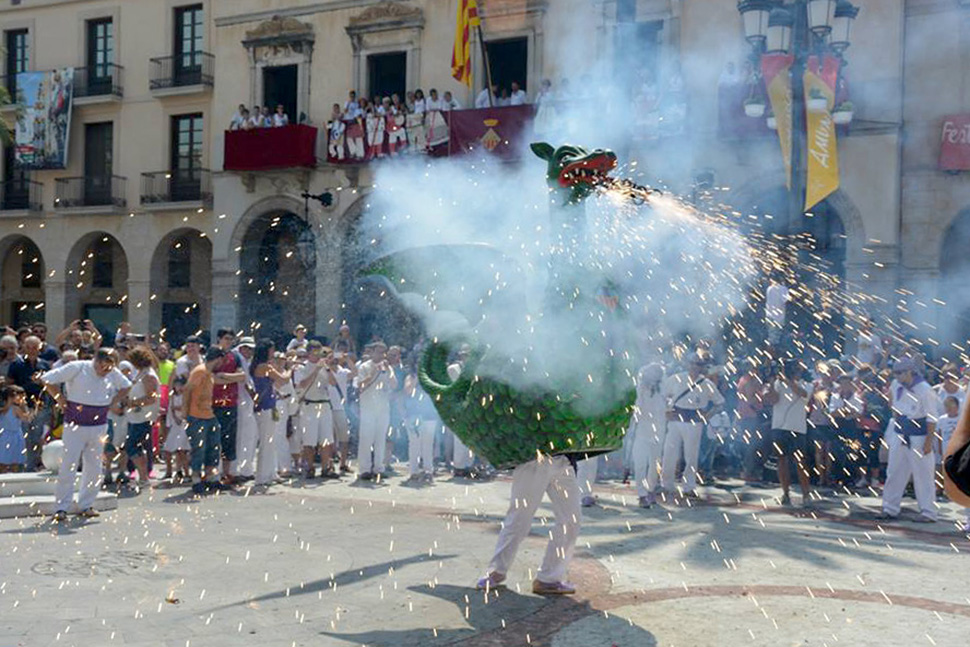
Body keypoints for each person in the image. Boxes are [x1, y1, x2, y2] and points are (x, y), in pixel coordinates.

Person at [42, 348, 131, 521]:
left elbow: (127, 385)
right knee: (69, 464)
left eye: (109, 368)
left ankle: (86, 504)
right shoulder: (77, 367)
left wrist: (113, 401)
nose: (106, 371)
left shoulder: (113, 372)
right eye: (103, 367)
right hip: (75, 424)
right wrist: (60, 398)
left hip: (99, 425)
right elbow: (47, 379)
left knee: (95, 466)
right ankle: (61, 507)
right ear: (96, 361)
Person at [475, 452, 580, 596]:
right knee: (519, 518)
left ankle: (549, 578)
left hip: (563, 461)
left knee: (571, 519)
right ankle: (497, 570)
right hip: (532, 458)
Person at [879, 357, 939, 522]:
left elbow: (932, 418)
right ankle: (890, 508)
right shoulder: (896, 384)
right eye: (895, 373)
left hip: (919, 435)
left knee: (923, 475)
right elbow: (894, 405)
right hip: (900, 431)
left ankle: (928, 512)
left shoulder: (925, 389)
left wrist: (928, 442)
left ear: (910, 372)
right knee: (894, 471)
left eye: (900, 373)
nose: (897, 376)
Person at [661, 354, 725, 496]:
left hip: (694, 422)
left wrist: (707, 416)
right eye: (694, 364)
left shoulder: (707, 383)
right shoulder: (677, 378)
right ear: (688, 364)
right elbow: (662, 395)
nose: (696, 367)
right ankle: (666, 484)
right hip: (675, 419)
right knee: (669, 453)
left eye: (699, 365)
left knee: (691, 456)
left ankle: (689, 487)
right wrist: (666, 411)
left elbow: (719, 403)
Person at [766, 359, 814, 507]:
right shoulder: (778, 384)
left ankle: (806, 494)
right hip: (779, 427)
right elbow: (772, 400)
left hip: (798, 428)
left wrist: (787, 380)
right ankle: (785, 493)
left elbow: (803, 394)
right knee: (781, 461)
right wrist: (772, 384)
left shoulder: (807, 384)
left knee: (801, 462)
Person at [185, 347, 227, 495]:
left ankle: (211, 478)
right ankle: (196, 480)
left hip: (209, 415)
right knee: (199, 449)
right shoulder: (200, 371)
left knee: (213, 448)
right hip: (196, 416)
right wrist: (186, 413)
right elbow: (188, 390)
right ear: (218, 358)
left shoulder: (209, 373)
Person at [250, 339, 291, 487]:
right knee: (266, 443)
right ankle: (262, 476)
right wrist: (289, 368)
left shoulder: (260, 365)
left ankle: (271, 473)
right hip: (265, 407)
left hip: (268, 405)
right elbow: (283, 379)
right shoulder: (263, 367)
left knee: (270, 441)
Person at [295, 341, 337, 480]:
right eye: (314, 352)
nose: (317, 355)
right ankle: (309, 467)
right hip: (309, 406)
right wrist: (315, 369)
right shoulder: (302, 367)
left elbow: (333, 383)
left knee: (326, 439)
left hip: (324, 404)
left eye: (319, 352)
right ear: (308, 353)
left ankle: (326, 468)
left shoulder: (325, 367)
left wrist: (328, 368)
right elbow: (302, 383)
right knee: (309, 440)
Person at [355, 341, 397, 480]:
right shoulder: (364, 366)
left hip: (383, 407)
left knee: (381, 439)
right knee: (366, 439)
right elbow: (360, 385)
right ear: (371, 352)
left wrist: (389, 371)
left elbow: (394, 384)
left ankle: (379, 467)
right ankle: (364, 469)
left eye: (383, 352)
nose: (381, 355)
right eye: (378, 352)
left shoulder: (387, 367)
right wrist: (374, 371)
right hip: (368, 408)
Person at [8, 335, 50, 470]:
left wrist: (42, 382)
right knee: (24, 437)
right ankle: (23, 465)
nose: (31, 350)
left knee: (37, 437)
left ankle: (32, 464)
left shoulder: (44, 365)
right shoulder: (16, 364)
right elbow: (10, 385)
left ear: (39, 348)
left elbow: (51, 386)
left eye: (34, 347)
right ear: (24, 348)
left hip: (40, 405)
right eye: (28, 347)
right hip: (23, 406)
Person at [211, 329, 247, 485]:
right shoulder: (212, 353)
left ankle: (227, 474)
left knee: (228, 440)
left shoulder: (235, 356)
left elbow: (242, 376)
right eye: (226, 338)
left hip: (230, 403)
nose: (229, 341)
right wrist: (230, 379)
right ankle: (212, 474)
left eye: (231, 339)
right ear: (219, 339)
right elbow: (212, 378)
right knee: (213, 439)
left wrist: (224, 376)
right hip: (212, 403)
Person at [124, 346, 160, 488]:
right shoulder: (141, 374)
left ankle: (144, 476)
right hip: (135, 416)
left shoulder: (149, 376)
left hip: (143, 416)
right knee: (136, 446)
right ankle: (142, 476)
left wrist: (133, 402)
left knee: (133, 446)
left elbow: (151, 398)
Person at [630, 363, 666, 507]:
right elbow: (636, 411)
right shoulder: (639, 390)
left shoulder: (662, 389)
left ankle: (651, 490)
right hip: (642, 432)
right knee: (640, 464)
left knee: (655, 464)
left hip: (659, 432)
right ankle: (641, 494)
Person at [403, 369, 438, 482]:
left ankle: (428, 471)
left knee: (428, 445)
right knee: (414, 445)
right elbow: (407, 390)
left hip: (429, 415)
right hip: (414, 415)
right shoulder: (411, 377)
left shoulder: (432, 377)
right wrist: (417, 379)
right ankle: (414, 471)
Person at [328, 350, 355, 473]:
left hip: (340, 407)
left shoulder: (343, 372)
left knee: (344, 437)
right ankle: (329, 464)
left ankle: (343, 463)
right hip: (326, 407)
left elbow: (355, 372)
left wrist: (347, 359)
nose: (334, 361)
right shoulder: (324, 371)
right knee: (328, 438)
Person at [163, 376, 190, 482]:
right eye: (177, 385)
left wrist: (180, 413)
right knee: (169, 449)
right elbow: (171, 410)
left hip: (184, 424)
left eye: (181, 385)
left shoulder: (187, 396)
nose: (179, 388)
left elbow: (186, 408)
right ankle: (174, 471)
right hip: (175, 425)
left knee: (181, 450)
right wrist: (172, 420)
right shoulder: (173, 397)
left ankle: (187, 473)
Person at [0, 385, 31, 473]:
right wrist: (25, 408)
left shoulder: (4, 409)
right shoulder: (15, 409)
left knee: (3, 461)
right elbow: (26, 419)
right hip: (14, 437)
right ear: (11, 397)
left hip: (4, 436)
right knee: (14, 462)